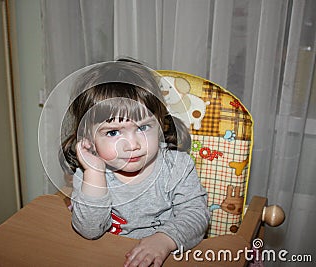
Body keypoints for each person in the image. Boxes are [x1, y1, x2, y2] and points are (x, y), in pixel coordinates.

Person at [60, 60, 209, 267]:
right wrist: (94, 174)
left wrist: (165, 240)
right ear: (88, 139)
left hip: (167, 256)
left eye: (143, 127)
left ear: (159, 123)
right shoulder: (90, 173)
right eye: (113, 132)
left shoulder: (177, 167)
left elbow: (197, 215)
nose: (132, 145)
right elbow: (89, 231)